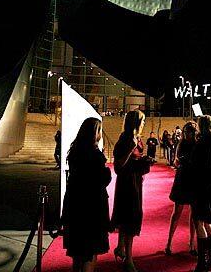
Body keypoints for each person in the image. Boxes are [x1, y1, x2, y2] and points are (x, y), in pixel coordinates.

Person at [61, 118, 111, 272]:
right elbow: (102, 180)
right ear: (95, 133)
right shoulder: (95, 155)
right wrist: (106, 168)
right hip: (93, 208)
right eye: (99, 131)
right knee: (90, 253)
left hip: (75, 205)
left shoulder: (75, 152)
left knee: (78, 253)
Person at [111, 110, 154, 272]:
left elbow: (134, 161)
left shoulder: (136, 138)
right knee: (130, 217)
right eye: (142, 121)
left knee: (128, 216)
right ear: (135, 122)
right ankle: (128, 259)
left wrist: (145, 160)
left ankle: (121, 248)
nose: (144, 124)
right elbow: (119, 166)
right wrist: (131, 149)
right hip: (127, 184)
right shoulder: (125, 139)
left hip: (135, 182)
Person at [189, 115, 211, 271]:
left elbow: (203, 165)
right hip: (210, 185)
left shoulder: (204, 142)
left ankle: (203, 261)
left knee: (198, 221)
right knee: (206, 220)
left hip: (201, 185)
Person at [165, 121, 197, 256]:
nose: (185, 134)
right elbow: (175, 161)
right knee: (176, 212)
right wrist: (180, 161)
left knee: (194, 214)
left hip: (192, 179)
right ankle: (169, 242)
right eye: (184, 132)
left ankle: (192, 243)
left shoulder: (197, 145)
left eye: (188, 132)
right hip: (182, 178)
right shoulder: (181, 144)